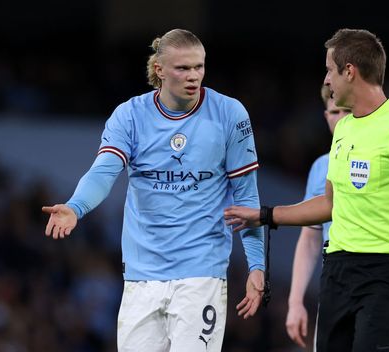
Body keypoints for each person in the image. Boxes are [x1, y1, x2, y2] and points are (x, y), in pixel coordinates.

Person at [225, 28, 389, 351]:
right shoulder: (343, 128)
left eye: (330, 70)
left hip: (384, 277)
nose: (327, 80)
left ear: (350, 71)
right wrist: (265, 215)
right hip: (337, 273)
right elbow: (331, 204)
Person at [42, 29, 265, 352]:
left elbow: (247, 198)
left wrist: (256, 265)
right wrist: (75, 207)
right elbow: (104, 172)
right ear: (159, 70)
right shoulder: (130, 116)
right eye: (183, 68)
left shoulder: (230, 114)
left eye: (199, 67)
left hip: (201, 272)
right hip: (141, 275)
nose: (194, 76)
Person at [285, 85, 389, 348]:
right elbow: (310, 238)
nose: (339, 118)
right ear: (325, 115)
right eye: (333, 111)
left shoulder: (384, 156)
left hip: (378, 276)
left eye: (345, 111)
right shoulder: (320, 168)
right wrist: (295, 302)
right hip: (335, 280)